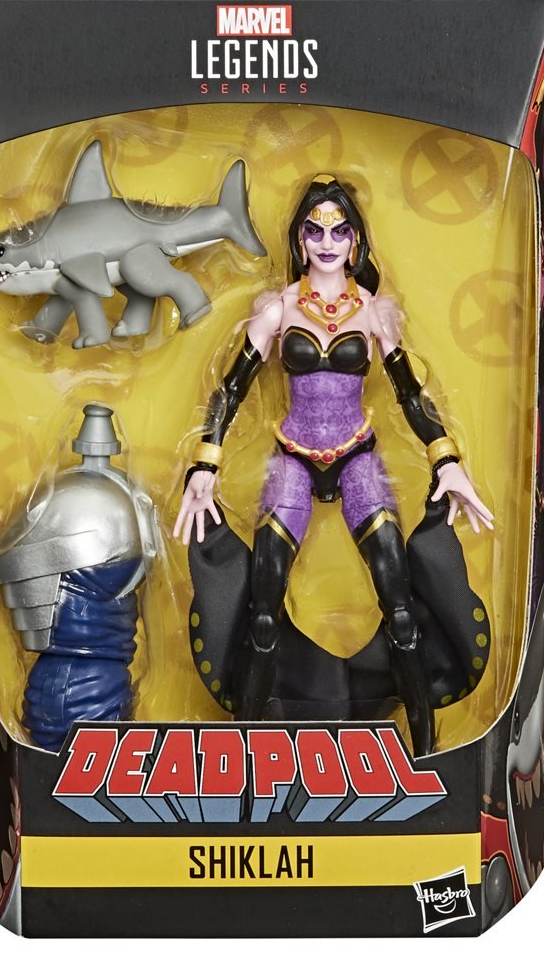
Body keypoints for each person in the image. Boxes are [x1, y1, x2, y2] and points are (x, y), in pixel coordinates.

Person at [173, 175, 492, 756]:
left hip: (357, 456)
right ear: (299, 239)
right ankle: (245, 756)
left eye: (339, 231)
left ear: (355, 240)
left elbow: (410, 392)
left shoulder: (373, 312)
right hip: (293, 457)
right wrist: (205, 464)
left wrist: (445, 457)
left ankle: (425, 755)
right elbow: (231, 388)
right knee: (263, 613)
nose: (326, 242)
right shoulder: (278, 308)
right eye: (315, 230)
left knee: (400, 608)